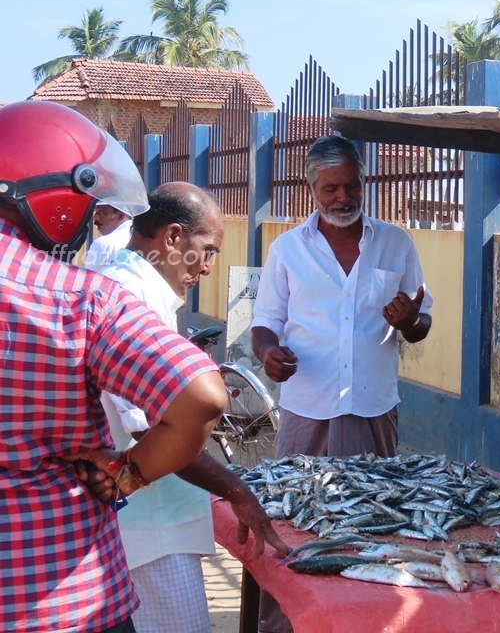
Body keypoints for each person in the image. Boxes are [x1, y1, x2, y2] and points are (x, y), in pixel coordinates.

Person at [0, 100, 227, 633]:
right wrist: (129, 474)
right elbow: (202, 398)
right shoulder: (79, 298)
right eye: (88, 203)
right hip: (56, 595)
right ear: (57, 198)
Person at [250, 132, 433, 633]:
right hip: (307, 411)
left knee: (373, 524)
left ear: (363, 182)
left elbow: (421, 324)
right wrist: (268, 353)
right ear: (312, 189)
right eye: (331, 188)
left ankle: (364, 620)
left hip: (375, 411)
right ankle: (288, 623)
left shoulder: (396, 243)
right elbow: (264, 323)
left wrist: (408, 320)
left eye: (352, 186)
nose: (343, 198)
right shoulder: (288, 249)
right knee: (295, 525)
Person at [96, 182, 289, 633]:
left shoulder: (131, 287)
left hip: (140, 515)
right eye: (206, 250)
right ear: (172, 237)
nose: (206, 266)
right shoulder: (132, 296)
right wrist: (236, 491)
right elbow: (152, 429)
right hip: (150, 528)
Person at [85, 202, 133, 269]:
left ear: (120, 215)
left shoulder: (102, 244)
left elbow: (89, 278)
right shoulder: (139, 237)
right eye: (96, 211)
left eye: (102, 212)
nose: (95, 218)